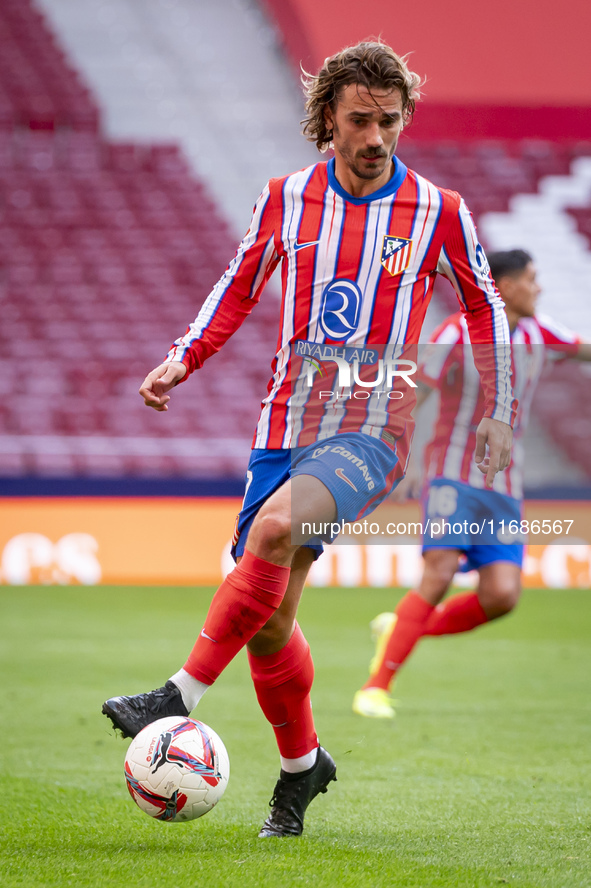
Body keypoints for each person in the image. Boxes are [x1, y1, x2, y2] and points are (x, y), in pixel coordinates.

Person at [102, 41, 516, 837]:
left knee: (278, 527)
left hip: (372, 426)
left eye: (389, 121)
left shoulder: (438, 211)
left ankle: (176, 695)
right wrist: (183, 358)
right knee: (269, 621)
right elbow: (239, 283)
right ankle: (302, 769)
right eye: (360, 120)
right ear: (326, 116)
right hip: (283, 427)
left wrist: (496, 406)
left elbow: (484, 310)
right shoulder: (285, 198)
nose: (376, 137)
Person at [353, 248, 591, 719]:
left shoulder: (540, 333)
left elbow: (584, 349)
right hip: (453, 475)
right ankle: (374, 689)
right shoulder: (457, 331)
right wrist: (401, 456)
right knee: (438, 573)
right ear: (503, 286)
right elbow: (417, 390)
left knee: (502, 595)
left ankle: (404, 626)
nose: (538, 287)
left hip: (505, 485)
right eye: (530, 278)